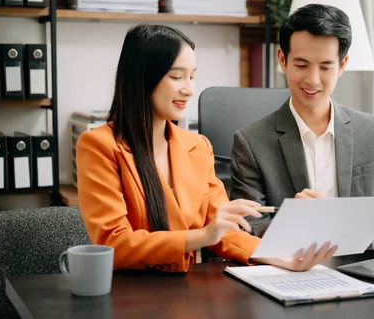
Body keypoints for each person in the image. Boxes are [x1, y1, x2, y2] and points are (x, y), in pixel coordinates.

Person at [76, 24, 337, 273]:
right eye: (176, 76)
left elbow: (225, 232)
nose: (189, 89)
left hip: (187, 291)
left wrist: (284, 258)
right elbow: (114, 243)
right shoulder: (99, 145)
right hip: (132, 292)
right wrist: (203, 235)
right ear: (143, 78)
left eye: (192, 76)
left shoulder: (197, 146)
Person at [229, 4, 374, 238]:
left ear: (342, 65)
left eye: (326, 67)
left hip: (353, 269)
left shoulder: (372, 131)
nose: (313, 80)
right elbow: (248, 228)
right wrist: (295, 221)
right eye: (301, 65)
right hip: (285, 268)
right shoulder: (251, 142)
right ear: (282, 59)